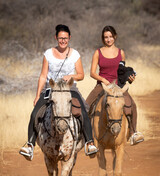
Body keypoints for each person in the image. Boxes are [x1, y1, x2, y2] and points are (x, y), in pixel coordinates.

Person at [19, 24, 98, 160]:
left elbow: (81, 75)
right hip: (51, 88)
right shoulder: (48, 54)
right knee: (35, 113)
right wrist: (38, 95)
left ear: (69, 38)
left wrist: (71, 77)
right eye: (60, 38)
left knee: (84, 110)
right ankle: (30, 145)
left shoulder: (75, 54)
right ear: (56, 38)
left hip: (69, 89)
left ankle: (89, 143)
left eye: (65, 38)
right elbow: (43, 76)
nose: (63, 41)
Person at [89, 25, 144, 146]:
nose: (108, 39)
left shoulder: (121, 53)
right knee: (86, 105)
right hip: (102, 85)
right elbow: (92, 73)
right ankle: (87, 139)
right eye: (105, 37)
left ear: (115, 37)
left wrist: (130, 78)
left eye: (110, 37)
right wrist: (103, 80)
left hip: (118, 86)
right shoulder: (98, 52)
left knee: (132, 106)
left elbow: (122, 71)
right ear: (103, 39)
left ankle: (133, 133)